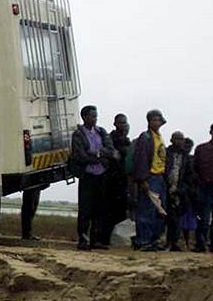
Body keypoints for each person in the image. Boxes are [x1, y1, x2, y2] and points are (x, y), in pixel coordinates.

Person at [70, 105, 117, 250]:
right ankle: (83, 239)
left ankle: (96, 240)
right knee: (85, 209)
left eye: (96, 116)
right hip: (87, 175)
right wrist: (99, 157)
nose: (95, 119)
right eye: (92, 116)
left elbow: (110, 150)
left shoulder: (101, 132)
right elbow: (80, 155)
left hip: (101, 174)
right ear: (84, 117)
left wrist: (95, 153)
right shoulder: (78, 135)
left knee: (99, 208)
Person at [132, 109, 169, 251]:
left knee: (159, 211)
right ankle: (144, 241)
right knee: (146, 210)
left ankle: (154, 240)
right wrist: (143, 180)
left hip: (160, 177)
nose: (157, 122)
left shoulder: (159, 137)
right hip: (150, 177)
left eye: (159, 120)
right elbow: (141, 159)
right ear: (149, 121)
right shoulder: (145, 137)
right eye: (154, 120)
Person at [193, 123, 213, 254]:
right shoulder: (201, 149)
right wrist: (199, 181)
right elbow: (194, 168)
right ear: (210, 132)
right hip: (205, 187)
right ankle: (200, 244)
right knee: (203, 218)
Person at [102, 113, 131, 245]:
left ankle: (117, 240)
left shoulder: (126, 140)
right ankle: (106, 238)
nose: (123, 125)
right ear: (115, 124)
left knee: (121, 211)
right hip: (111, 179)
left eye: (125, 123)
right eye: (121, 123)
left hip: (123, 180)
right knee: (109, 211)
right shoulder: (110, 139)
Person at [165, 132, 195, 251]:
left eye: (181, 139)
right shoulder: (165, 153)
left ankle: (174, 242)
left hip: (179, 190)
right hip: (165, 188)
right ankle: (164, 242)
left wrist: (182, 189)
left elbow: (189, 176)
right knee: (164, 216)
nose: (179, 141)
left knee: (176, 217)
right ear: (171, 140)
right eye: (176, 139)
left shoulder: (186, 157)